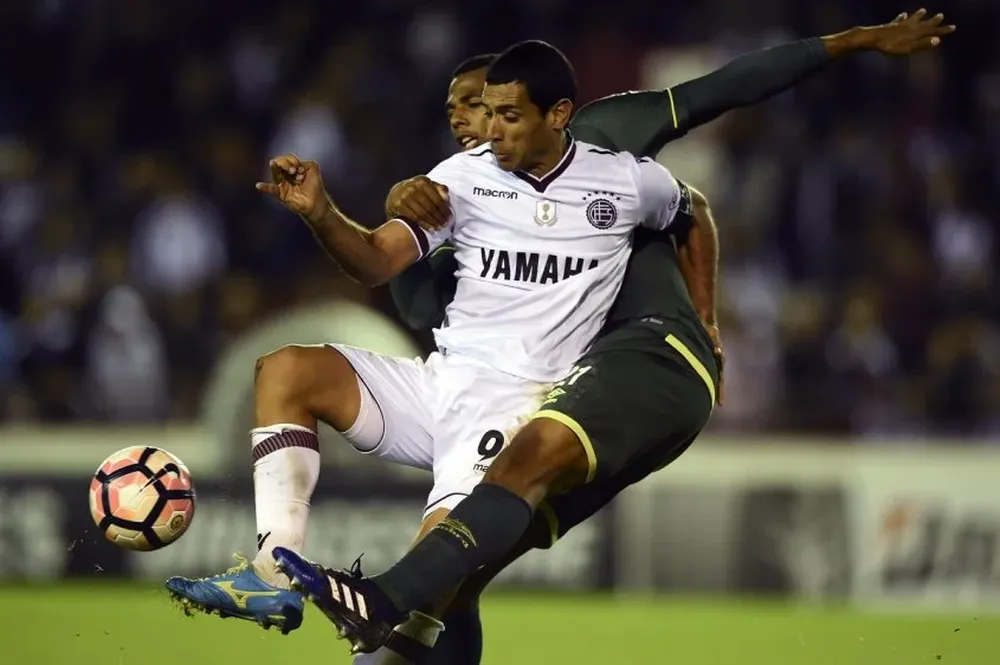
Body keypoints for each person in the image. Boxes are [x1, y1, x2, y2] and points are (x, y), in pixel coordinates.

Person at [270, 12, 956, 659]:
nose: (466, 119)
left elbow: (720, 107)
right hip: (568, 381)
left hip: (647, 355)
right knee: (456, 578)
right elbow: (412, 298)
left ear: (544, 109)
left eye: (482, 103)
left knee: (468, 527)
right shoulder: (463, 194)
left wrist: (859, 40)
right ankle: (384, 602)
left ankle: (375, 595)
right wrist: (407, 211)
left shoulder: (609, 146)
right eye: (455, 110)